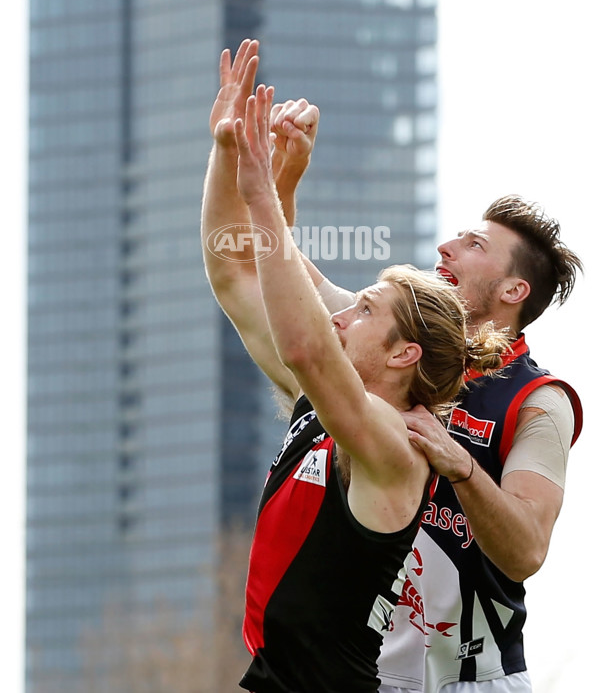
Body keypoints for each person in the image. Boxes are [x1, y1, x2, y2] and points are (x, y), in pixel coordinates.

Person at [200, 40, 508, 693]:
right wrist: (228, 152)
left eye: (364, 310)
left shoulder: (395, 446)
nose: (341, 315)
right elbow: (233, 271)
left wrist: (264, 194)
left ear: (404, 354)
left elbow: (308, 345)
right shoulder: (324, 411)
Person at [270, 91, 584, 692]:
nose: (446, 247)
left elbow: (527, 552)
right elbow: (284, 279)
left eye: (473, 243)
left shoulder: (540, 400)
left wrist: (460, 465)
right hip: (365, 674)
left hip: (470, 679)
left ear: (515, 290)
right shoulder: (384, 334)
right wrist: (285, 176)